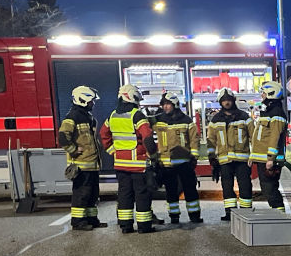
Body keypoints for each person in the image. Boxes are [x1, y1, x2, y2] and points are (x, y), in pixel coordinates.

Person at [99, 84, 158, 233]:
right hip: (138, 165)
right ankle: (144, 226)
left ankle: (125, 226)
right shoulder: (137, 115)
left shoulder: (112, 115)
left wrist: (113, 152)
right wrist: (153, 156)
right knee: (141, 195)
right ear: (132, 97)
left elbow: (103, 135)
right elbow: (148, 138)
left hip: (120, 165)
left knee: (124, 195)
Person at [58, 85, 107, 230]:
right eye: (91, 101)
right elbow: (63, 137)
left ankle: (92, 219)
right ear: (83, 100)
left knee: (92, 194)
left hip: (91, 164)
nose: (93, 104)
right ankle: (78, 222)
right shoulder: (72, 117)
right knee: (81, 194)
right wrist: (73, 150)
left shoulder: (87, 117)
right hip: (81, 165)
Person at [152, 90, 202, 224]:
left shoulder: (186, 120)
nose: (165, 107)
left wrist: (194, 157)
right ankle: (174, 216)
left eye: (168, 104)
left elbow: (194, 140)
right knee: (171, 191)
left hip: (185, 162)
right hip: (166, 164)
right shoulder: (158, 120)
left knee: (190, 189)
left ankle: (194, 215)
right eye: (164, 104)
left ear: (175, 104)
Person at [205, 87, 252, 220]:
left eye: (228, 100)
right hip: (224, 160)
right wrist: (212, 157)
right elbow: (211, 141)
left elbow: (253, 136)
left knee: (245, 185)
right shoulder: (215, 120)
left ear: (233, 101)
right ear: (220, 102)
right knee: (227, 186)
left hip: (242, 159)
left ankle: (246, 212)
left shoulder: (244, 117)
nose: (226, 103)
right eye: (224, 100)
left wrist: (253, 155)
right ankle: (230, 212)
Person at [249, 80, 288, 212]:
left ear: (271, 94)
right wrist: (252, 156)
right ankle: (278, 213)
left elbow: (274, 137)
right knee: (268, 187)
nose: (262, 96)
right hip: (263, 158)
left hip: (269, 160)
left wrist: (271, 158)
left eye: (264, 94)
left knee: (269, 188)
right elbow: (261, 137)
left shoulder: (276, 113)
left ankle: (280, 214)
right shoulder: (270, 111)